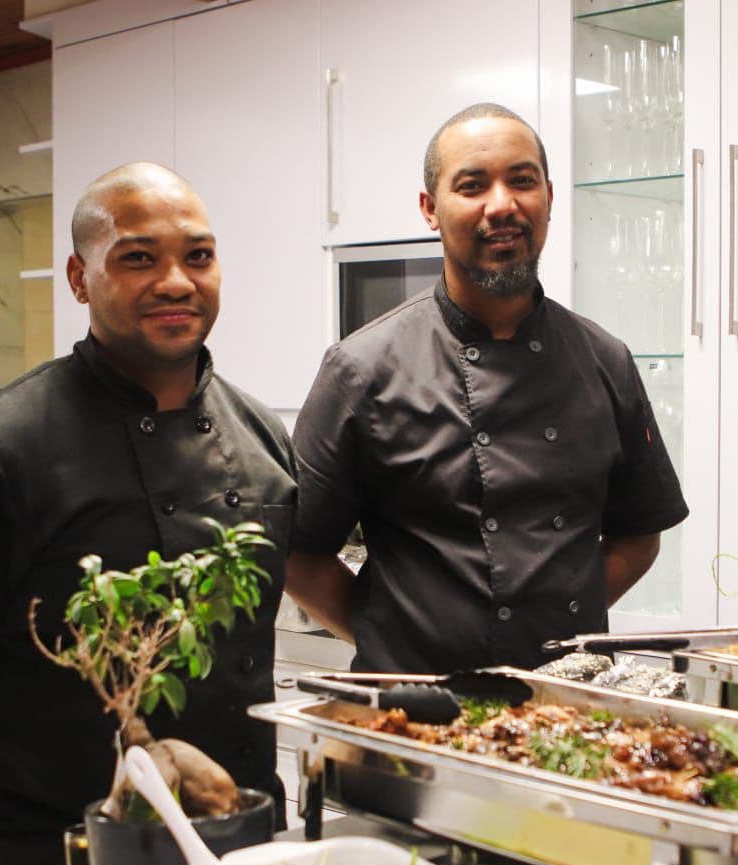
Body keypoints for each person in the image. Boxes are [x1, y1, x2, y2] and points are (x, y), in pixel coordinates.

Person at [0, 162, 295, 865]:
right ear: (78, 277)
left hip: (238, 834)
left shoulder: (261, 436)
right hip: (54, 848)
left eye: (198, 256)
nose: (175, 281)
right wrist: (24, 768)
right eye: (138, 257)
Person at [285, 103, 687, 674]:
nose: (502, 205)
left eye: (522, 181)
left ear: (549, 196)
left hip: (561, 708)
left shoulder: (604, 360)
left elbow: (638, 535)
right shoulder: (360, 370)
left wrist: (558, 629)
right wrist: (392, 636)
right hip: (412, 715)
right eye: (472, 186)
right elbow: (299, 555)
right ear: (429, 209)